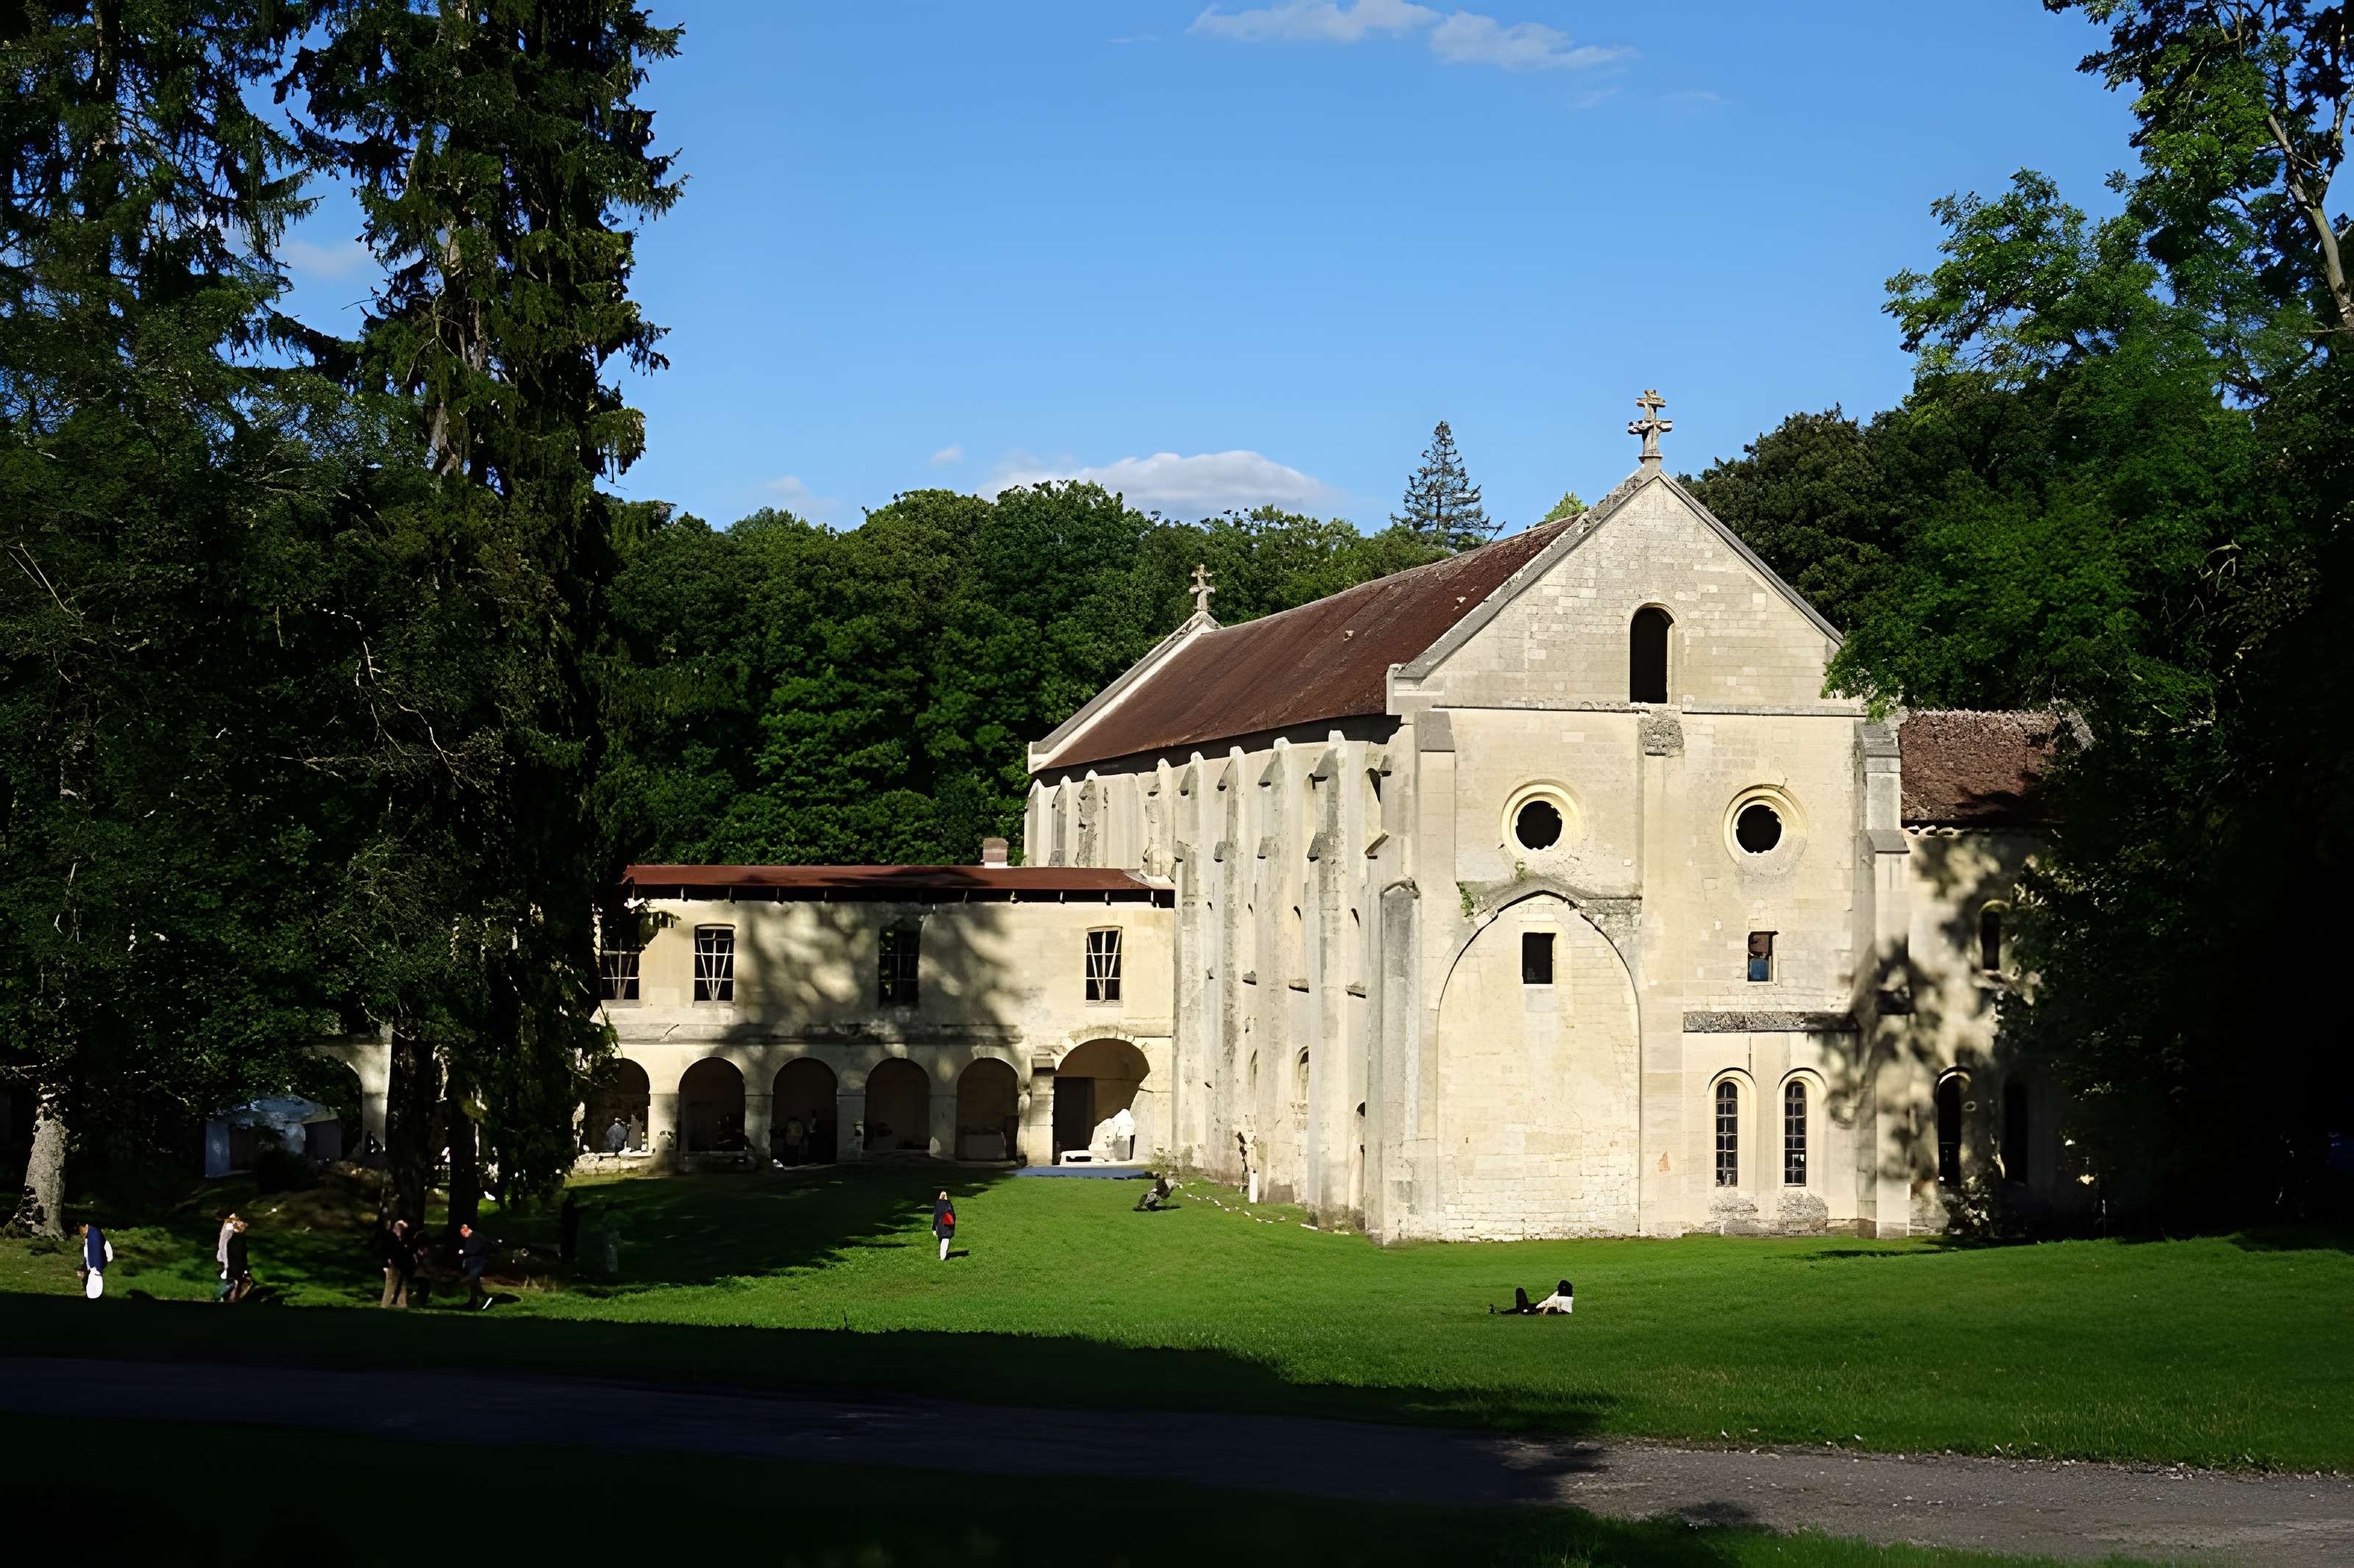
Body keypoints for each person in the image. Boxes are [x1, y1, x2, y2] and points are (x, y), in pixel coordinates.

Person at [377, 1219, 415, 1308]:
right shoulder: (391, 1237)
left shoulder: (404, 1239)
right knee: (390, 1284)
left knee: (403, 1284)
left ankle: (401, 1303)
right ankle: (386, 1304)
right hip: (395, 1263)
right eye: (402, 1228)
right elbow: (387, 1249)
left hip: (403, 1265)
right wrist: (388, 1260)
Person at [458, 1222, 492, 1310]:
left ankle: (486, 1298)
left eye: (462, 1233)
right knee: (474, 1282)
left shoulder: (475, 1237)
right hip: (475, 1262)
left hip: (478, 1262)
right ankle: (472, 1302)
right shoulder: (474, 1237)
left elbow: (474, 1250)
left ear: (466, 1230)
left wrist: (464, 1252)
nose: (462, 1235)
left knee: (471, 1280)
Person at [77, 1222, 112, 1300]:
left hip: (96, 1267)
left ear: (86, 1226)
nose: (83, 1234)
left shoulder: (94, 1236)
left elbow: (96, 1253)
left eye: (83, 1231)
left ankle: (93, 1295)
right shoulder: (91, 1235)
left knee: (94, 1281)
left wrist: (95, 1268)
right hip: (93, 1265)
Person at [221, 1217, 251, 1303]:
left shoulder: (236, 1238)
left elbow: (242, 1253)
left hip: (235, 1262)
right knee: (235, 1274)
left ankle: (233, 1290)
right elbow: (244, 1253)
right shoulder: (240, 1238)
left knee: (234, 1274)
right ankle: (233, 1291)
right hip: (237, 1263)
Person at [931, 1190, 956, 1262]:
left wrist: (935, 1228)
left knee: (942, 1241)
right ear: (946, 1196)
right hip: (947, 1225)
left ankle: (943, 1255)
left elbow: (935, 1216)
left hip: (939, 1226)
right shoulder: (948, 1203)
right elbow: (952, 1215)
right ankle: (943, 1257)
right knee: (945, 1241)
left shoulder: (937, 1203)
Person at [558, 1191, 582, 1264]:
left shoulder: (566, 1206)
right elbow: (575, 1213)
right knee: (570, 1241)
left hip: (568, 1227)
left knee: (568, 1241)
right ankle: (569, 1257)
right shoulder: (568, 1207)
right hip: (569, 1227)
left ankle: (567, 1257)